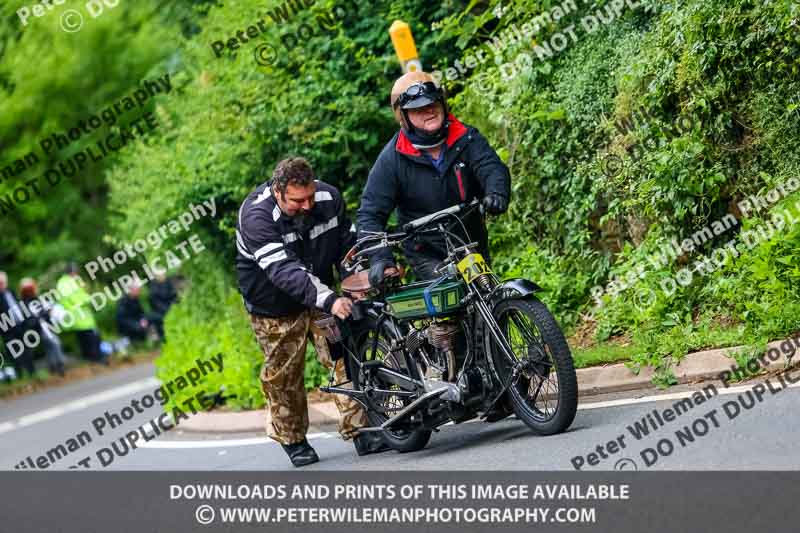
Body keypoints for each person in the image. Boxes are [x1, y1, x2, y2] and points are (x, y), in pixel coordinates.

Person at [235, 156, 389, 467]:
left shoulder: (328, 198)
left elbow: (348, 245)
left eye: (309, 196)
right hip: (274, 306)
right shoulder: (256, 217)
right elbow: (284, 271)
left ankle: (362, 430)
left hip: (320, 294)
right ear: (278, 192)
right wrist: (330, 299)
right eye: (296, 201)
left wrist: (362, 275)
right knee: (284, 376)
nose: (306, 206)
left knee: (343, 357)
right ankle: (294, 439)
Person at [357, 70, 512, 284]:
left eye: (432, 103)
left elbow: (491, 167)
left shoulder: (466, 137)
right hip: (427, 252)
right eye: (417, 109)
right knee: (454, 303)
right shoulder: (392, 158)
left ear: (443, 103)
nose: (428, 110)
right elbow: (370, 214)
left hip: (470, 241)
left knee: (487, 296)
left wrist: (496, 192)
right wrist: (379, 259)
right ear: (403, 116)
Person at [56, 263, 106, 363]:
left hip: (75, 316)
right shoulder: (69, 282)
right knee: (91, 339)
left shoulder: (62, 282)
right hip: (81, 316)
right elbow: (78, 298)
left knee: (83, 339)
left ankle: (89, 359)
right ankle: (97, 359)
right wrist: (90, 299)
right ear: (72, 272)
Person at [19, 278, 67, 377]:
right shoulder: (25, 303)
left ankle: (54, 367)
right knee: (54, 343)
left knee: (50, 346)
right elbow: (32, 317)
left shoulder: (35, 299)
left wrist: (47, 313)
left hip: (45, 326)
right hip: (39, 328)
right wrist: (43, 316)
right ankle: (59, 365)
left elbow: (43, 312)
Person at [0, 271, 25, 380]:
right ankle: (20, 375)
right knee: (14, 352)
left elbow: (18, 305)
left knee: (25, 349)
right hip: (7, 329)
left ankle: (31, 372)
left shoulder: (11, 291)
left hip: (19, 325)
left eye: (3, 282)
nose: (2, 285)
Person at [148, 273, 177, 339]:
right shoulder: (153, 287)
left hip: (170, 307)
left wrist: (174, 305)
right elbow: (155, 302)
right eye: (160, 275)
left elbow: (173, 295)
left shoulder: (168, 282)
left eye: (163, 274)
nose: (162, 276)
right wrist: (167, 309)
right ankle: (162, 337)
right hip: (159, 311)